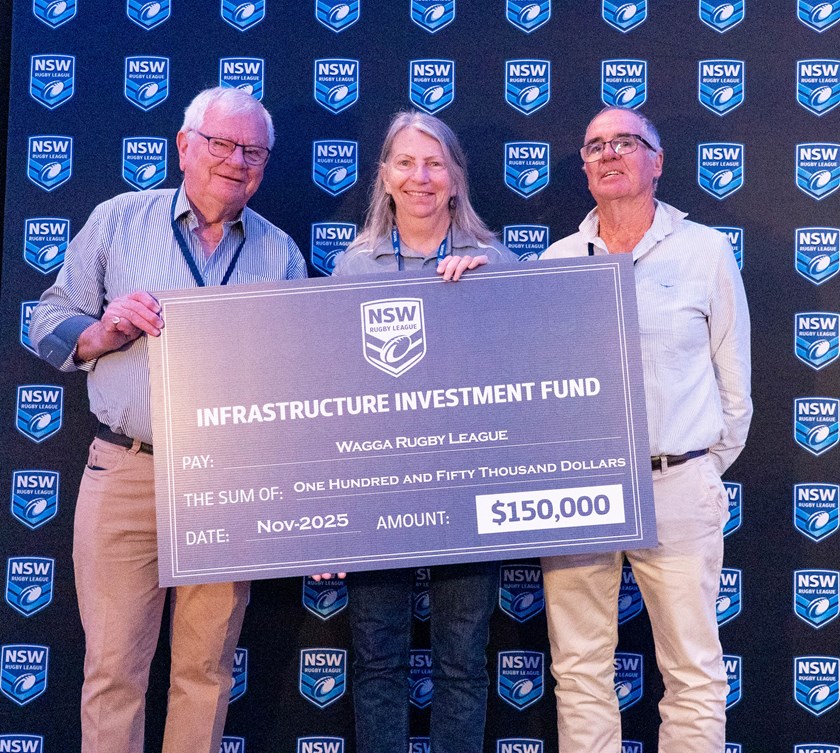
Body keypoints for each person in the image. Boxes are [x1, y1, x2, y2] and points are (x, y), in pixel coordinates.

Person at [29, 87, 306, 753]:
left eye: (253, 152)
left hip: (227, 484)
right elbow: (46, 320)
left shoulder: (281, 254)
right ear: (184, 146)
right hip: (129, 469)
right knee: (113, 670)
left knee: (205, 672)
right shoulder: (119, 221)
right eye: (221, 144)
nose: (236, 161)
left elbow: (298, 383)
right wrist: (102, 331)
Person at [540, 106, 752, 753]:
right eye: (595, 145)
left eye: (625, 142)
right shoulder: (556, 260)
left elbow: (734, 388)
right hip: (581, 488)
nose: (608, 153)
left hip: (676, 483)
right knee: (579, 669)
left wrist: (695, 466)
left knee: (692, 671)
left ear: (657, 162)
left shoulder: (704, 251)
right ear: (584, 168)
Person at [330, 110, 518, 753]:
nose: (421, 177)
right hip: (376, 493)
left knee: (462, 664)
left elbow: (524, 384)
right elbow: (330, 401)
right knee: (377, 661)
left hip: (468, 491)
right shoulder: (352, 269)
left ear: (456, 178)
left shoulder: (496, 262)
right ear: (384, 177)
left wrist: (487, 298)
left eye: (435, 163)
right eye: (406, 162)